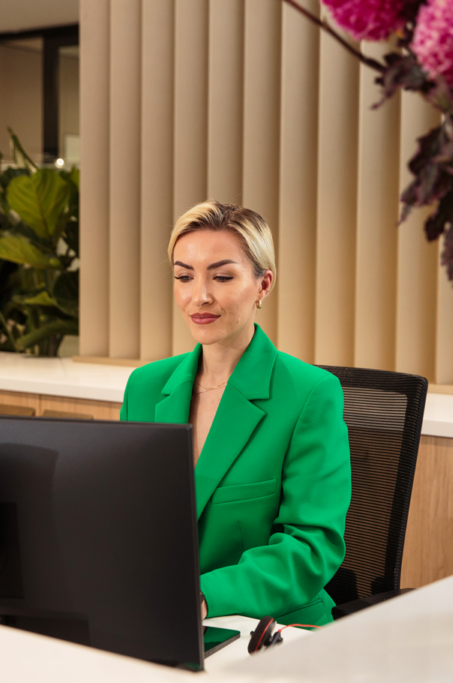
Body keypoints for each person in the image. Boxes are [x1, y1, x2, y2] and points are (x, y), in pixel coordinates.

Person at [119, 200, 351, 626]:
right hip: (159, 616)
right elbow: (125, 516)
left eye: (222, 276)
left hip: (271, 626)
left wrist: (202, 596)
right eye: (184, 277)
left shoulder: (310, 394)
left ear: (264, 285)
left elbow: (310, 546)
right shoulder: (146, 387)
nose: (199, 296)